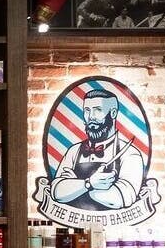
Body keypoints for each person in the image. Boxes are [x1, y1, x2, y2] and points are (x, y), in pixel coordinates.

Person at [47, 84, 148, 214]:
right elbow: (56, 192)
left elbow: (121, 198)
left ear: (113, 113)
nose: (91, 117)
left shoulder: (130, 153)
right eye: (87, 110)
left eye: (98, 110)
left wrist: (74, 185)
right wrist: (90, 183)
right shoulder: (74, 151)